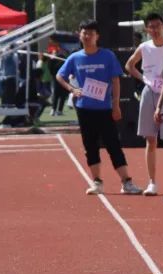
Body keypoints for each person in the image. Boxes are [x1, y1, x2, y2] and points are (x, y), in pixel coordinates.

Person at [57, 20, 144, 196]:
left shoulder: (107, 56)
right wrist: (72, 89)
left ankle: (127, 182)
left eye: (91, 33)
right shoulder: (75, 57)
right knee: (90, 145)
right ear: (79, 35)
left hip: (105, 109)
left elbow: (116, 80)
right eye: (84, 33)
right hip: (84, 109)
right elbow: (60, 75)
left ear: (97, 36)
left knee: (113, 144)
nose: (87, 36)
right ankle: (97, 182)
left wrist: (116, 105)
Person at [125, 13, 163, 196]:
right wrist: (144, 78)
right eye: (151, 26)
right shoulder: (144, 47)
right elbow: (129, 65)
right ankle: (152, 182)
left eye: (157, 25)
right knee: (150, 139)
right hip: (150, 92)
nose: (155, 29)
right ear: (146, 29)